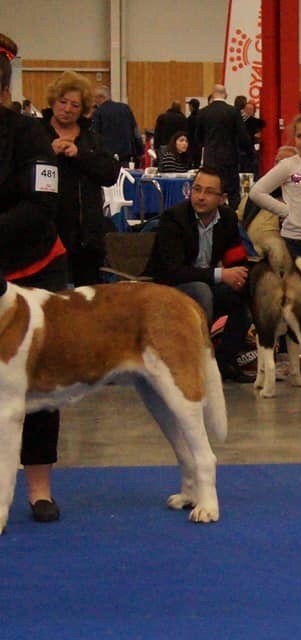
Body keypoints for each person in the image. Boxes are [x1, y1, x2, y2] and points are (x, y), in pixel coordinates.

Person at [0, 31, 66, 522]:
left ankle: (38, 488)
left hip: (34, 270)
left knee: (37, 383)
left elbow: (42, 209)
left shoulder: (32, 136)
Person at [145, 166, 254, 382]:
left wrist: (241, 276)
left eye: (208, 192)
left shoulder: (228, 219)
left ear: (222, 198)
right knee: (201, 291)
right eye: (197, 189)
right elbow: (174, 271)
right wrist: (221, 275)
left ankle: (224, 362)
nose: (200, 197)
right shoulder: (173, 218)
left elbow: (236, 259)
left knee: (243, 292)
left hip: (207, 282)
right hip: (170, 287)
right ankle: (196, 364)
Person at [248, 111, 301, 375]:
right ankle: (288, 357)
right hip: (295, 242)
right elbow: (257, 191)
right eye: (300, 136)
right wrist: (285, 211)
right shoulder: (290, 167)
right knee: (295, 301)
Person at [41, 71, 120, 286]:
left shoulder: (92, 139)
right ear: (53, 101)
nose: (67, 109)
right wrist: (49, 153)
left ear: (83, 109)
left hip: (87, 238)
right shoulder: (36, 134)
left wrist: (80, 154)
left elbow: (111, 174)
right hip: (47, 236)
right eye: (62, 101)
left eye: (75, 105)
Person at [195, 84, 253, 209]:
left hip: (210, 160)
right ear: (225, 94)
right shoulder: (233, 112)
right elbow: (243, 136)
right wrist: (250, 153)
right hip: (229, 159)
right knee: (232, 193)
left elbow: (197, 138)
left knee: (211, 190)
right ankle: (233, 221)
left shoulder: (203, 113)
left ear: (213, 93)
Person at [91, 84, 142, 167]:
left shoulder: (98, 112)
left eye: (95, 98)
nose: (94, 101)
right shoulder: (125, 108)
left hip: (107, 158)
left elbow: (94, 135)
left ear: (101, 97)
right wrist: (140, 151)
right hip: (126, 156)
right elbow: (135, 131)